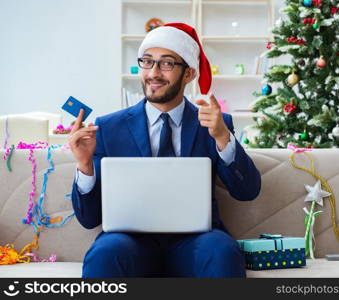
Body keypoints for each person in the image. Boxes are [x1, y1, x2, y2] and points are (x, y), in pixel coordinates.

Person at [69, 23, 261, 278]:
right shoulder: (108, 127)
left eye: (167, 63)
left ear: (189, 74)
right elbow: (88, 218)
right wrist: (84, 165)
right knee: (105, 252)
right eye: (147, 62)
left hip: (196, 242)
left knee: (222, 250)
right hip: (130, 243)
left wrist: (223, 138)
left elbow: (247, 191)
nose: (154, 73)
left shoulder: (215, 123)